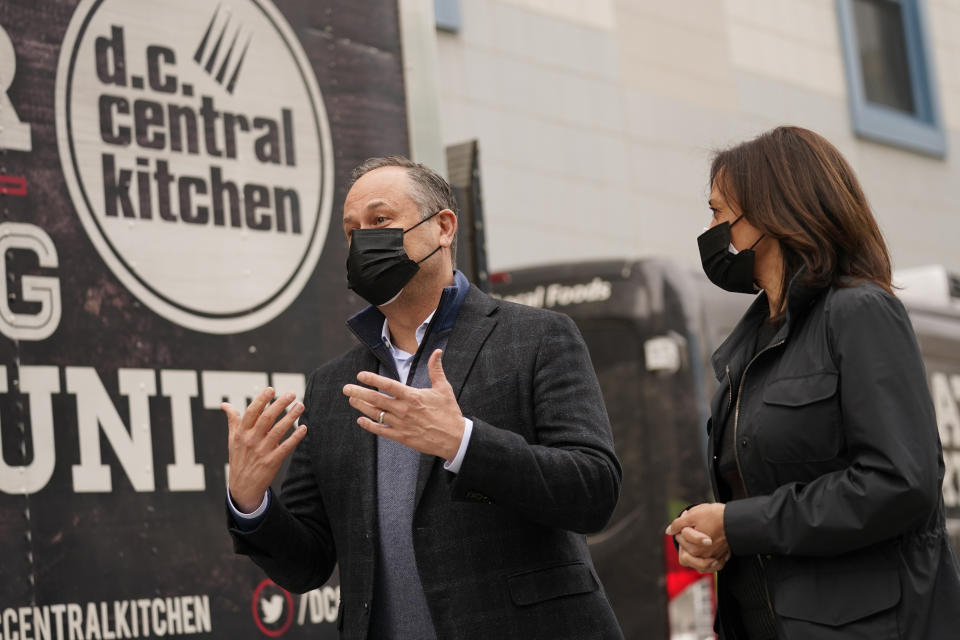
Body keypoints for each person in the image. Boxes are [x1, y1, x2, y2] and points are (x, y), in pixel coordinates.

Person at [222, 156, 624, 639]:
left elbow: (594, 492)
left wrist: (464, 444)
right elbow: (307, 565)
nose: (363, 241)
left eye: (380, 220)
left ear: (443, 227)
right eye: (352, 232)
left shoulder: (539, 337)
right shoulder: (334, 386)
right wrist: (250, 502)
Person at [666, 126, 960, 639]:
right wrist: (714, 529)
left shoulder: (859, 311)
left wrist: (739, 524)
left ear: (773, 214)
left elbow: (900, 482)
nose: (711, 232)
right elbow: (768, 486)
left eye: (718, 213)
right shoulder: (750, 344)